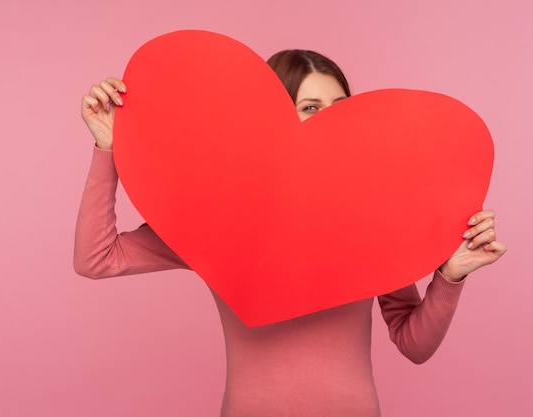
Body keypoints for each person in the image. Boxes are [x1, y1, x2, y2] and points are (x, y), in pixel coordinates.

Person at [75, 49, 506, 417]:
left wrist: (451, 276)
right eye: (312, 107)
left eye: (342, 107)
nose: (332, 121)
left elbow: (414, 345)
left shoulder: (373, 218)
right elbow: (98, 258)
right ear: (272, 121)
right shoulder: (212, 219)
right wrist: (108, 148)